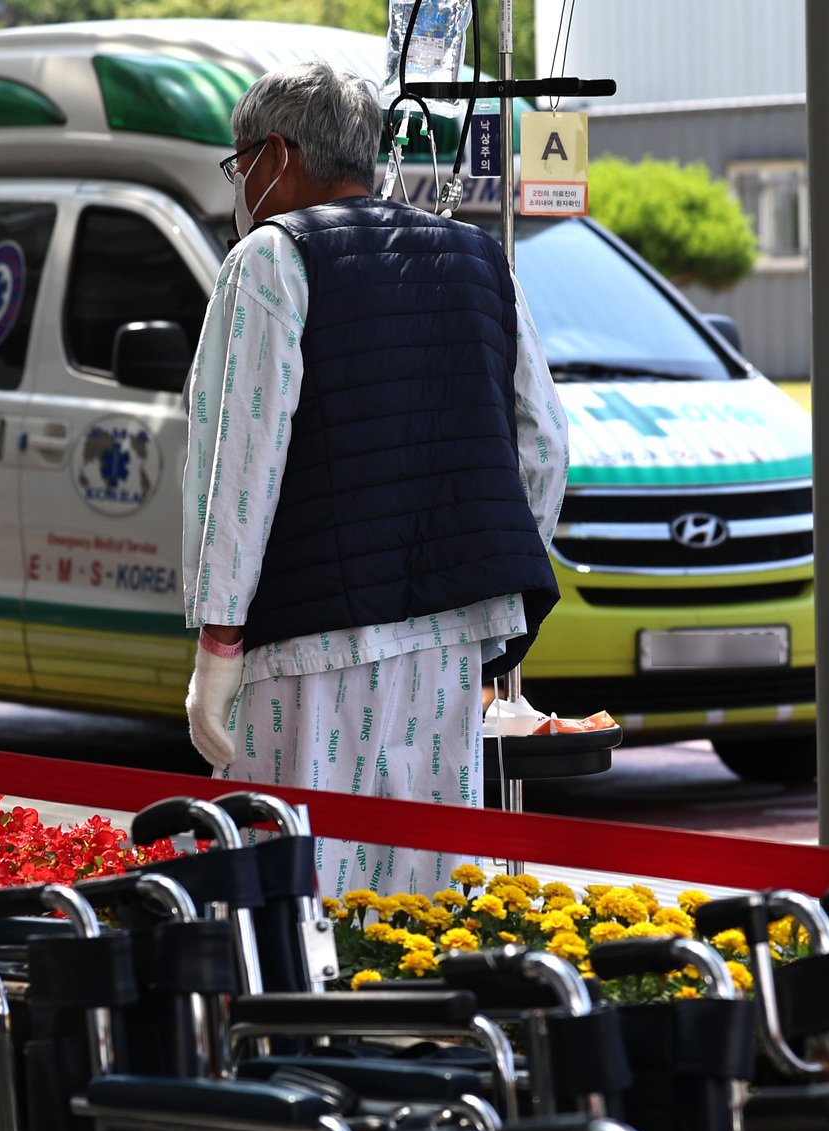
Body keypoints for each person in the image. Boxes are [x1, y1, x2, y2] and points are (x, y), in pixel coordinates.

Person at [183, 60, 568, 897]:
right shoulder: (481, 260)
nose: (240, 184)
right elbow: (542, 447)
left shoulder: (270, 262)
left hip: (305, 644)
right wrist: (491, 572)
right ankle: (420, 1028)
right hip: (449, 642)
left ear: (276, 155)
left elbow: (234, 464)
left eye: (241, 161)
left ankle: (305, 1031)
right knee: (426, 886)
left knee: (297, 881)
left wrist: (217, 641)